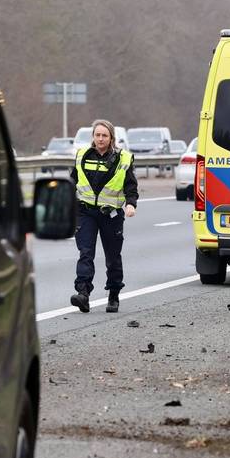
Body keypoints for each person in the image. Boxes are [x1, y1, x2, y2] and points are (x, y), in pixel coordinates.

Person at [70, 119, 138, 313]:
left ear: (111, 138)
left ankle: (114, 294)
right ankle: (83, 293)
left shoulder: (123, 159)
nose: (100, 139)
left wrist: (131, 204)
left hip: (111, 215)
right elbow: (73, 181)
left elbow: (130, 186)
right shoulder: (82, 155)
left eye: (104, 135)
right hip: (85, 212)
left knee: (113, 257)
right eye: (97, 135)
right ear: (93, 137)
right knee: (86, 253)